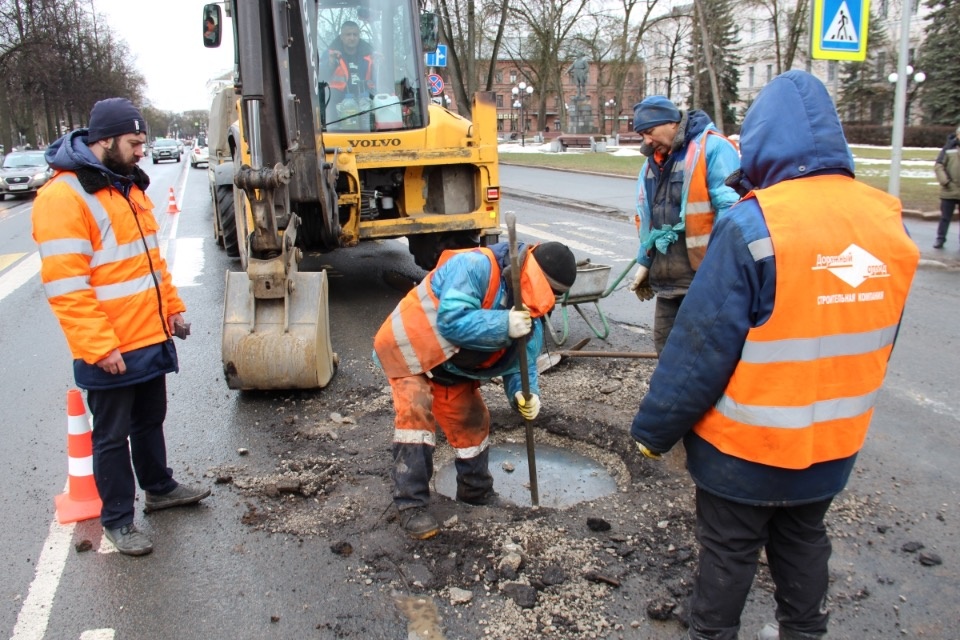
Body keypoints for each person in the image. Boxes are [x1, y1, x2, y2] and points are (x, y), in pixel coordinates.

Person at [630, 71, 920, 640]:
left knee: (729, 551)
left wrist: (654, 430)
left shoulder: (755, 224)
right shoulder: (887, 222)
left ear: (761, 142)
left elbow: (699, 351)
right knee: (804, 540)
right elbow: (879, 339)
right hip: (832, 447)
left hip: (746, 452)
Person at [32, 98, 210, 557]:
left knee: (150, 419)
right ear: (105, 140)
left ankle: (159, 487)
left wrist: (172, 309)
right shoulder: (64, 197)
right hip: (111, 346)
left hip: (147, 335)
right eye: (134, 143)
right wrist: (99, 347)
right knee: (111, 436)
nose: (141, 151)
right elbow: (67, 287)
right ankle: (117, 520)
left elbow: (149, 263)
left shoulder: (126, 187)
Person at [373, 241, 577, 539]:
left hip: (450, 367)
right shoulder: (475, 267)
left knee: (473, 420)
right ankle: (411, 505)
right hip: (410, 352)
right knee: (416, 414)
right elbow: (452, 321)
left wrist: (524, 393)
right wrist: (503, 323)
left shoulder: (532, 316)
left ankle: (475, 491)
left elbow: (522, 364)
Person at [628, 95, 741, 355]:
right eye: (642, 135)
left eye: (649, 132)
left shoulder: (712, 148)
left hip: (704, 280)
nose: (647, 141)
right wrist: (645, 262)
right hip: (668, 281)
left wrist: (718, 269)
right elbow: (651, 221)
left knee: (702, 356)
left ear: (671, 123)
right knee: (666, 351)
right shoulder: (653, 163)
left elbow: (730, 209)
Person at [323, 20, 376, 108]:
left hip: (365, 103)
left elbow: (381, 81)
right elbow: (320, 79)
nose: (352, 38)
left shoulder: (370, 55)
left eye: (355, 35)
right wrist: (331, 64)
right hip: (336, 105)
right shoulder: (330, 54)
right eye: (348, 34)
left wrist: (379, 65)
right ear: (341, 37)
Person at [933, 124, 960, 249]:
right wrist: (945, 182)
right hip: (949, 189)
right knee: (945, 217)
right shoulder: (949, 147)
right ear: (957, 135)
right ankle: (940, 239)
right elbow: (939, 165)